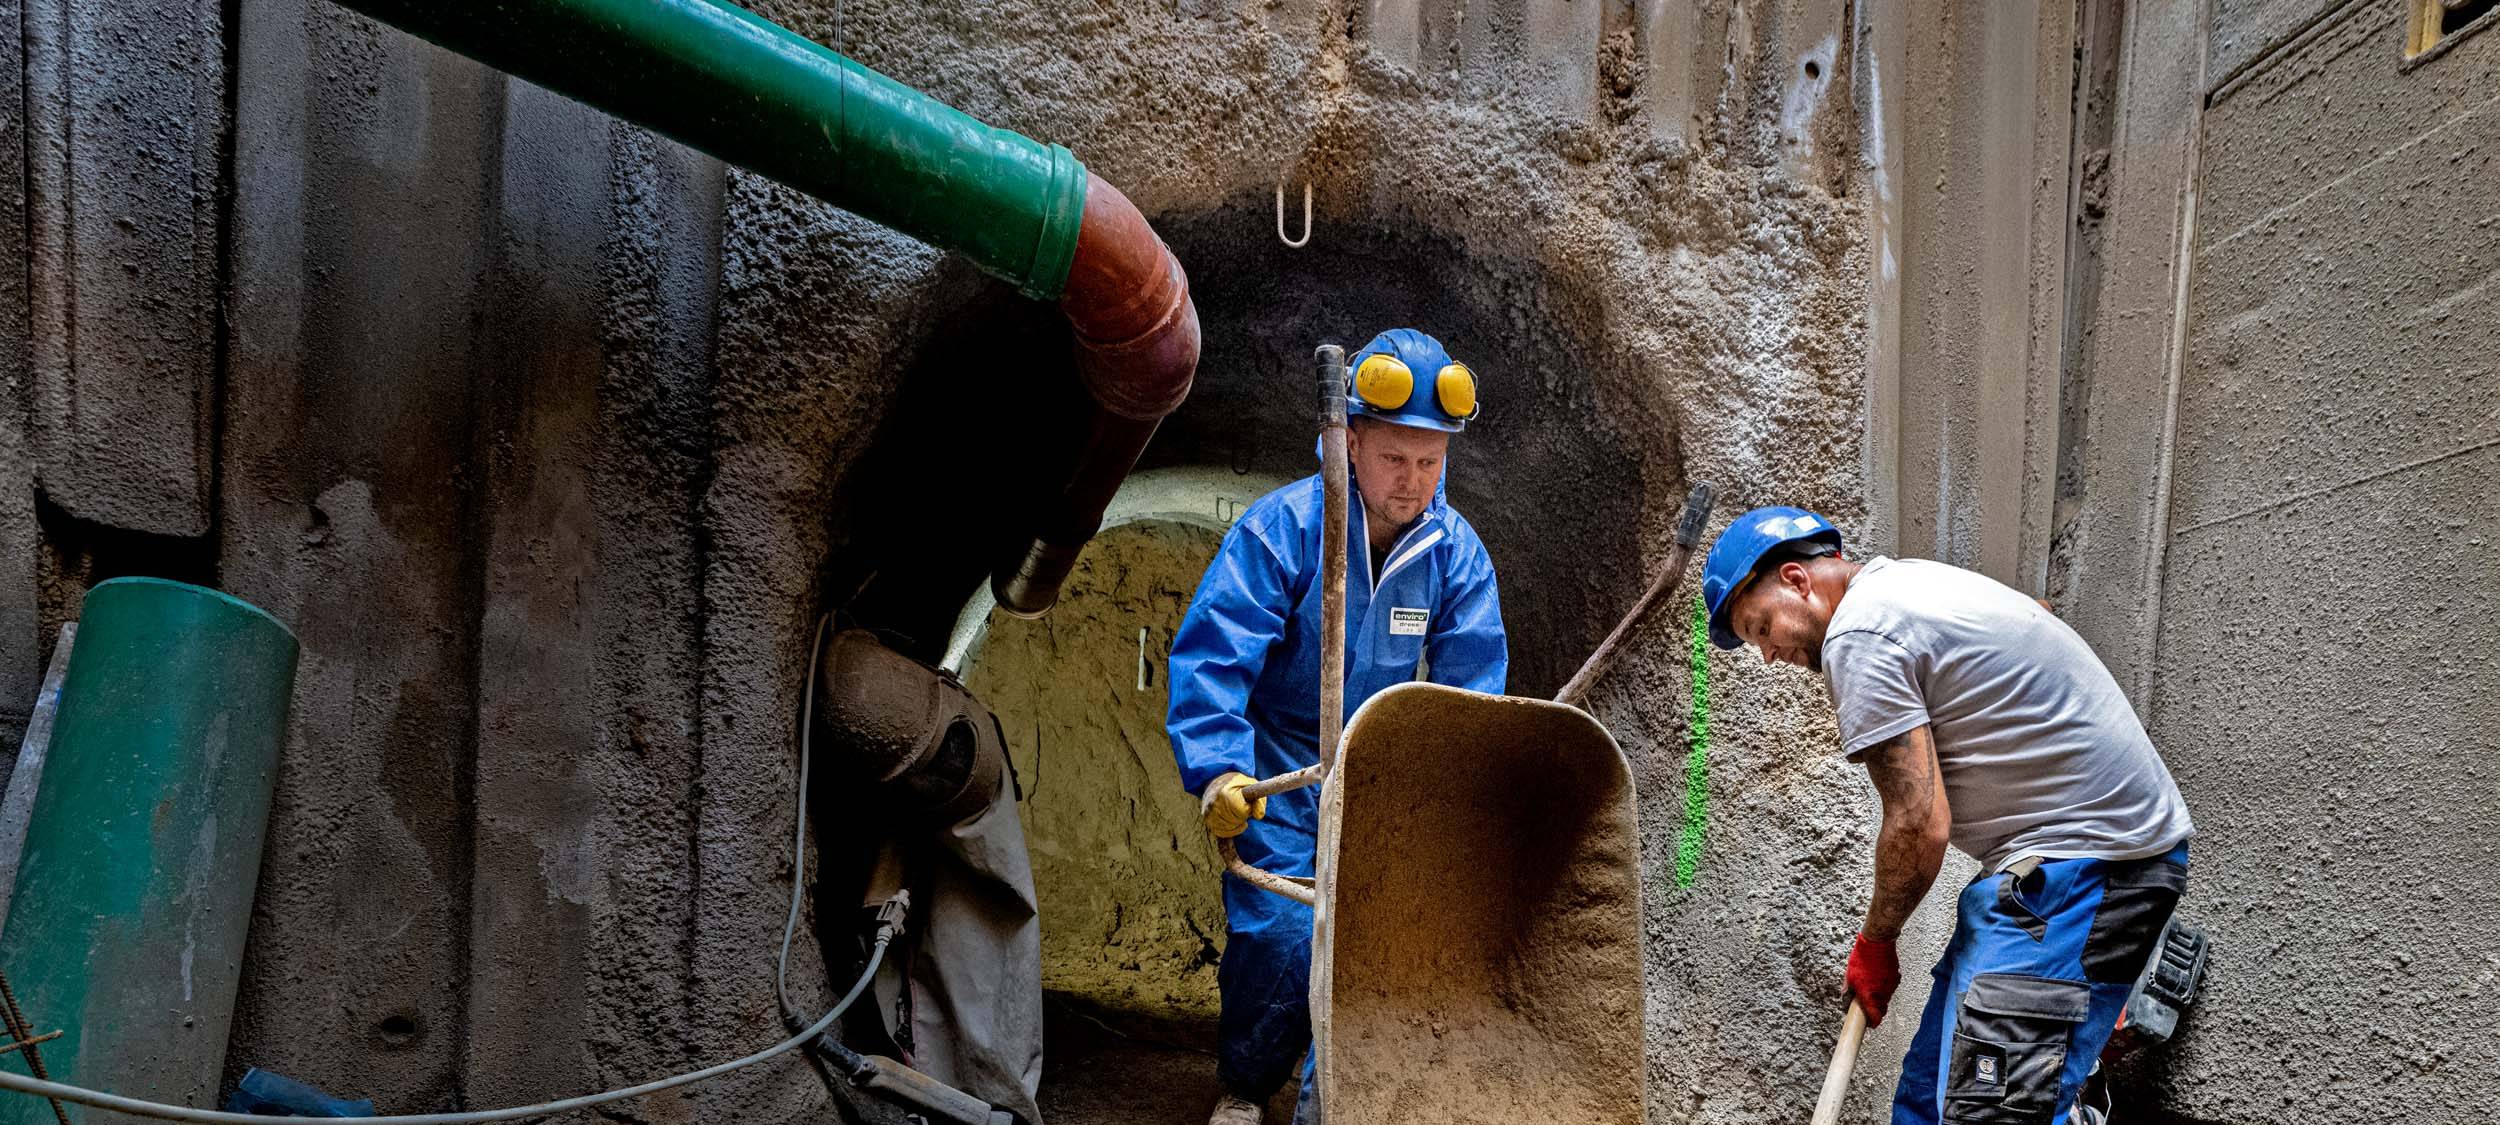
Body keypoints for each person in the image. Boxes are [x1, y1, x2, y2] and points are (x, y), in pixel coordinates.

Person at [1701, 507, 2194, 1125]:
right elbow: (2037, 615)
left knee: (1989, 1114)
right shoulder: (1907, 585)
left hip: (2088, 867)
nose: (1770, 655)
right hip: (2036, 875)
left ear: (1797, 580)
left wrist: (1876, 943)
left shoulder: (1859, 635)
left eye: (1762, 626)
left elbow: (1917, 822)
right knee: (1924, 1107)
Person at [1165, 328, 1508, 1125]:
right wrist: (1218, 768)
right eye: (1395, 458)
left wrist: (1450, 803)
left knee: (1370, 945)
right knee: (1284, 936)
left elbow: (1469, 700)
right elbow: (1217, 654)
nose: (1414, 481)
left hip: (1382, 778)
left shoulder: (1457, 558)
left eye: (1431, 461)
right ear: (1349, 439)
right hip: (1281, 772)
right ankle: (1246, 1084)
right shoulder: (1283, 529)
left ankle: (1332, 1107)